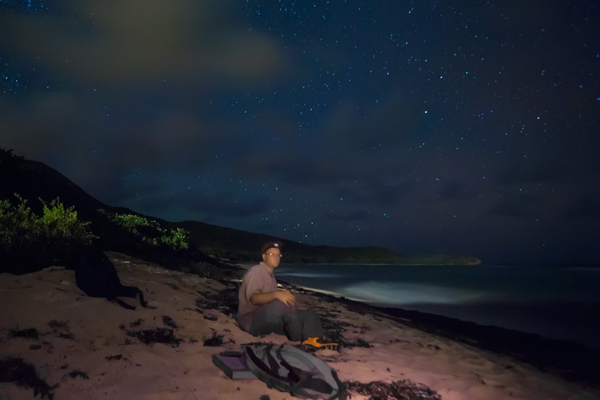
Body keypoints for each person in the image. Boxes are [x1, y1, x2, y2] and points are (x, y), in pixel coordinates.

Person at [237, 241, 335, 348]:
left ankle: (312, 341)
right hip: (251, 322)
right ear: (264, 257)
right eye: (272, 254)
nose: (276, 257)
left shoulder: (271, 276)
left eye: (278, 254)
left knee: (310, 316)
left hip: (267, 318)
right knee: (283, 303)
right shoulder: (256, 272)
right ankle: (296, 341)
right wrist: (276, 294)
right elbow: (254, 298)